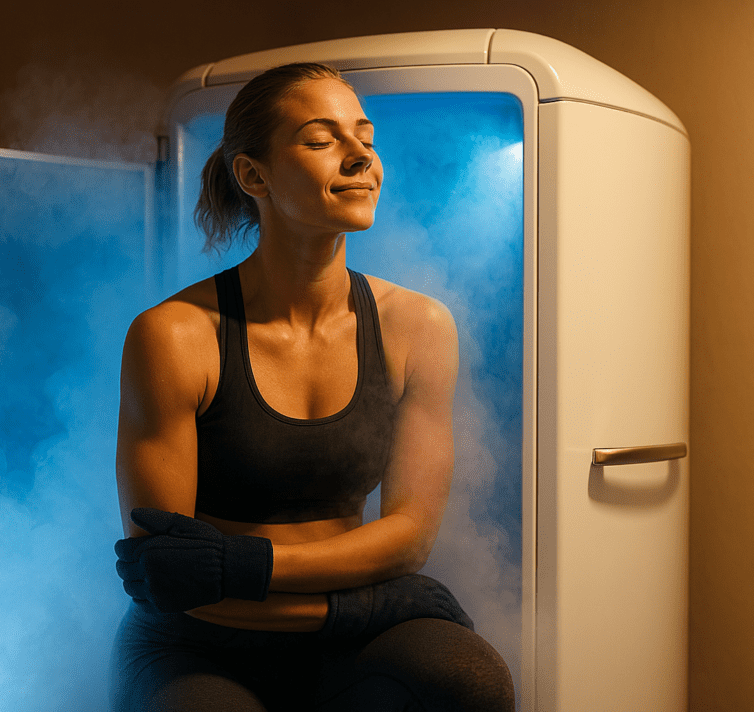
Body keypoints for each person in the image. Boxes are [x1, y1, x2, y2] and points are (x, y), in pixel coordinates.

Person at [111, 62, 515, 712]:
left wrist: (243, 565)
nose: (361, 158)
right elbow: (173, 577)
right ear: (253, 176)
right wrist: (381, 598)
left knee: (466, 678)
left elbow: (409, 533)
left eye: (366, 137)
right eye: (323, 139)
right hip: (199, 643)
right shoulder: (174, 336)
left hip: (344, 633)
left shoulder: (419, 327)